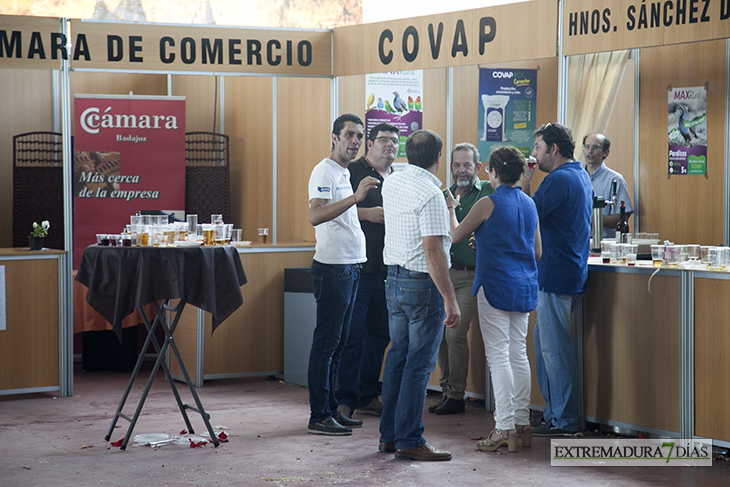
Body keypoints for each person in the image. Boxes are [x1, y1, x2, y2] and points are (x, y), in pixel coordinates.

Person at [446, 146, 541, 452]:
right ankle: (523, 422)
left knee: (498, 356)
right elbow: (536, 251)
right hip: (524, 285)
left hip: (495, 286)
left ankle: (503, 427)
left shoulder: (487, 203)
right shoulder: (529, 203)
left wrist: (451, 207)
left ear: (494, 172)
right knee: (518, 354)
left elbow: (455, 235)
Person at [379, 129, 460, 461]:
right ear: (439, 159)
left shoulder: (393, 181)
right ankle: (410, 438)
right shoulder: (431, 193)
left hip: (393, 279)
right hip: (421, 285)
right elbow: (433, 252)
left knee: (398, 357)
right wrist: (450, 299)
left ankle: (389, 435)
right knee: (418, 365)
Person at [306, 113, 380, 436]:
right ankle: (319, 415)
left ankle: (332, 408)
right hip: (333, 269)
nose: (354, 141)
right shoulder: (325, 170)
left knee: (339, 344)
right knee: (326, 344)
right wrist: (356, 198)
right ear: (333, 137)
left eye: (359, 136)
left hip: (351, 267)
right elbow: (316, 215)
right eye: (349, 135)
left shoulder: (344, 172)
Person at [523, 123, 592, 437]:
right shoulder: (580, 175)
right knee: (545, 347)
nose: (534, 155)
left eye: (537, 148)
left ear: (553, 149)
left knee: (555, 352)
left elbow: (525, 216)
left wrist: (524, 180)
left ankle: (563, 420)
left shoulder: (557, 180)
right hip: (566, 272)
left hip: (554, 275)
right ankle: (554, 415)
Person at [336, 123, 399, 419]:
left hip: (390, 270)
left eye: (395, 141)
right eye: (384, 139)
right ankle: (345, 400)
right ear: (370, 144)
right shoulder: (352, 171)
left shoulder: (398, 178)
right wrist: (366, 215)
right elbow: (331, 209)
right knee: (354, 335)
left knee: (380, 334)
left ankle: (368, 393)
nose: (390, 145)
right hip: (359, 268)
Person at [430, 143, 494, 415]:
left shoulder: (488, 192)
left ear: (478, 167)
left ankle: (457, 395)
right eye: (456, 165)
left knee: (455, 333)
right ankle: (446, 390)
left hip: (470, 276)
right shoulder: (441, 193)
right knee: (441, 336)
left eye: (467, 165)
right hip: (444, 275)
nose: (461, 170)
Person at [582, 133, 633, 237]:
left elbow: (622, 218)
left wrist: (591, 219)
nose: (589, 151)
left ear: (605, 153)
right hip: (579, 244)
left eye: (595, 147)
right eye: (587, 147)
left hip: (605, 245)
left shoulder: (615, 180)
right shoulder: (577, 178)